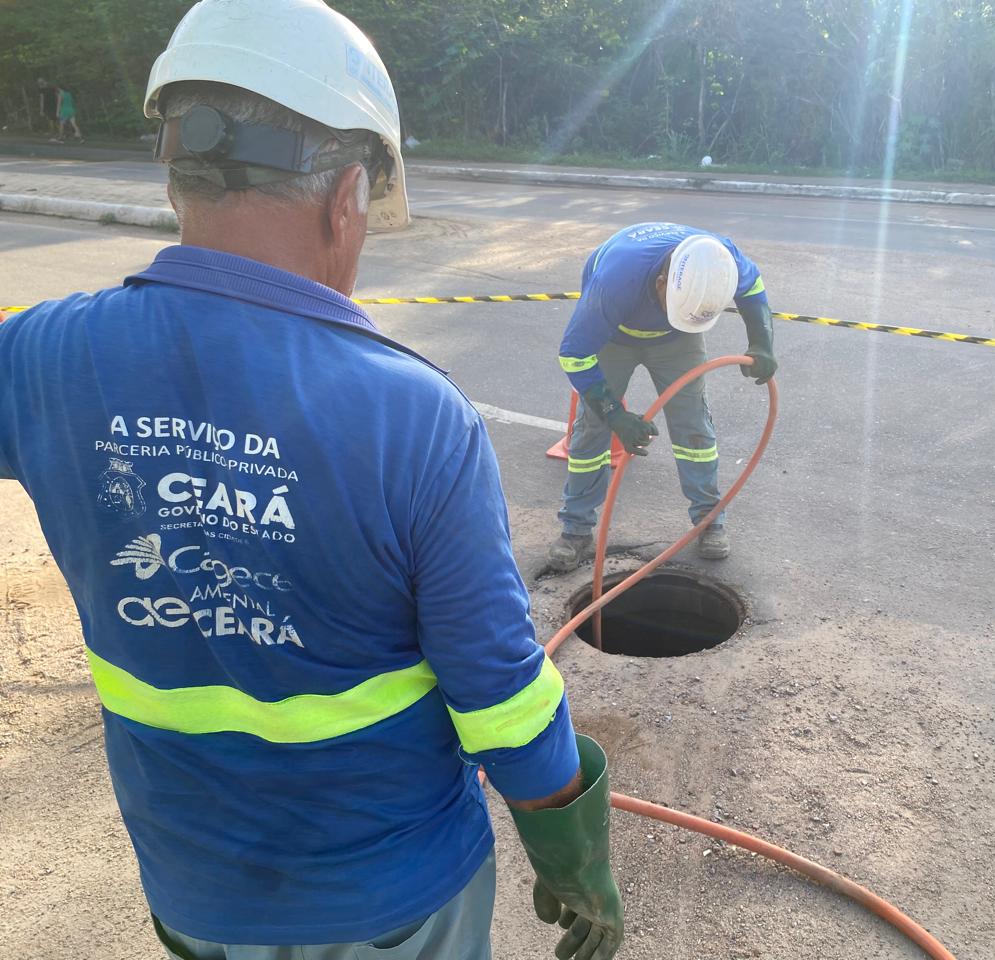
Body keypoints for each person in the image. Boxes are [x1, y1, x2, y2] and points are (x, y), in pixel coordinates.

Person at [0, 3, 623, 959]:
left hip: (192, 885)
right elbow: (498, 694)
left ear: (178, 177)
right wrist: (573, 857)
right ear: (346, 198)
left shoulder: (38, 355)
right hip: (393, 903)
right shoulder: (411, 416)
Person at [547, 222, 778, 572]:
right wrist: (615, 416)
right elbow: (574, 355)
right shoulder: (617, 279)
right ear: (661, 284)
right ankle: (575, 529)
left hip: (677, 342)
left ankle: (709, 520)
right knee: (593, 429)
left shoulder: (720, 258)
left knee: (693, 426)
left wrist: (761, 341)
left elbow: (754, 288)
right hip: (615, 337)